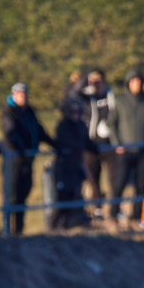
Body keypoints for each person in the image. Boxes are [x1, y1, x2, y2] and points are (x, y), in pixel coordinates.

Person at [109, 68, 144, 228]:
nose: (136, 84)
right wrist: (117, 143)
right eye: (133, 81)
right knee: (119, 183)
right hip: (125, 151)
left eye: (139, 81)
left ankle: (137, 216)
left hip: (143, 150)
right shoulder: (120, 101)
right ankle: (113, 213)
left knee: (141, 185)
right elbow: (112, 123)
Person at [0, 82, 44, 236]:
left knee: (24, 194)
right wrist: (22, 150)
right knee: (11, 195)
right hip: (14, 160)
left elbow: (38, 130)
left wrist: (54, 143)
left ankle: (18, 230)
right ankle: (6, 229)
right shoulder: (9, 111)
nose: (23, 97)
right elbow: (10, 132)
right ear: (14, 95)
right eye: (20, 94)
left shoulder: (29, 111)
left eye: (24, 94)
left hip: (27, 160)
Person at [80, 67, 114, 222]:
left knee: (114, 178)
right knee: (93, 177)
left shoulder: (111, 95)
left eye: (99, 80)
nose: (97, 84)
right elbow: (71, 95)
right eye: (93, 81)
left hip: (110, 143)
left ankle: (115, 208)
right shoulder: (85, 97)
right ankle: (97, 207)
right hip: (91, 143)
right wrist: (85, 82)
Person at [50, 97, 88, 229]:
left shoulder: (81, 125)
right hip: (64, 168)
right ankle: (54, 227)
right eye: (72, 112)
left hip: (76, 167)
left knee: (74, 197)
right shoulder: (63, 126)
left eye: (78, 111)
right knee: (62, 199)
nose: (75, 115)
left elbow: (86, 141)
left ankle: (66, 226)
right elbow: (65, 143)